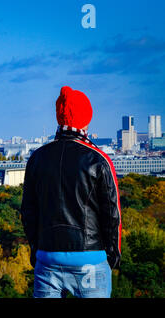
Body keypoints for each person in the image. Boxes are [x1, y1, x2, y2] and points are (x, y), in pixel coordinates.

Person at [20, 86, 121, 298]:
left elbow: (28, 213)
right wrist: (112, 256)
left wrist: (37, 250)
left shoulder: (37, 158)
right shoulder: (98, 160)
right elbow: (112, 216)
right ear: (87, 118)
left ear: (59, 117)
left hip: (48, 256)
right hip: (90, 259)